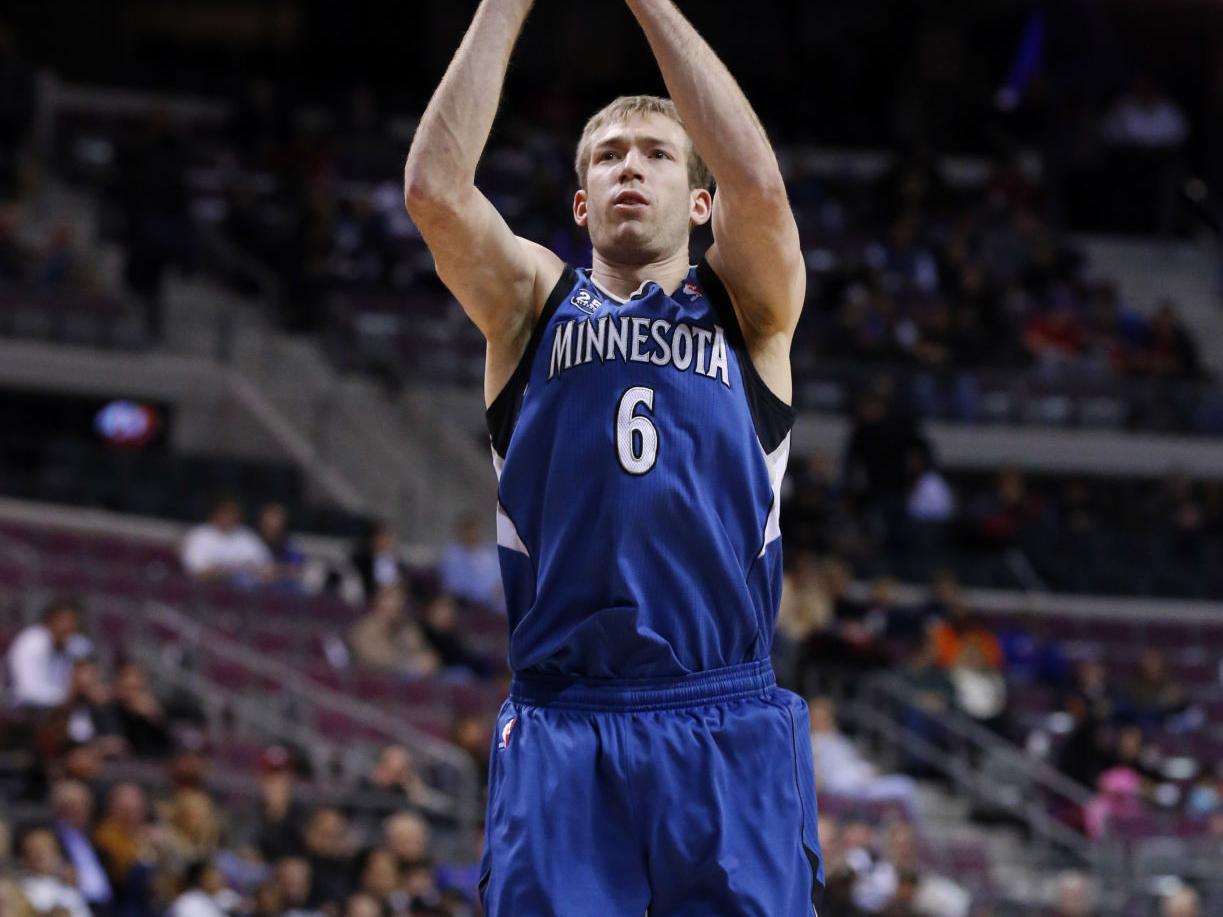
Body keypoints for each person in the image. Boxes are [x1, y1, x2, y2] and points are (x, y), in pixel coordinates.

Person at [405, 1, 821, 912]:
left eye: (657, 153)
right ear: (581, 202)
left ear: (698, 200)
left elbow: (762, 190)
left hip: (725, 716)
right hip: (566, 721)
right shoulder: (528, 306)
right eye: (607, 155)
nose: (630, 163)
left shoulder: (749, 308)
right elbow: (435, 191)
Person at [6, 598, 93, 709]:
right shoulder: (32, 641)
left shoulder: (77, 644)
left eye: (74, 621)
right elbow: (29, 691)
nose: (70, 626)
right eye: (65, 620)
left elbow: (89, 680)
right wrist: (68, 696)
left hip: (65, 708)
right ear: (50, 620)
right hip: (29, 710)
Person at [180, 495, 273, 585]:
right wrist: (232, 571)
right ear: (215, 513)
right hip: (207, 590)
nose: (229, 516)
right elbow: (196, 572)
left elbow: (268, 569)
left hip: (245, 593)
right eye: (225, 512)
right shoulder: (200, 535)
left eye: (233, 513)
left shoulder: (247, 536)